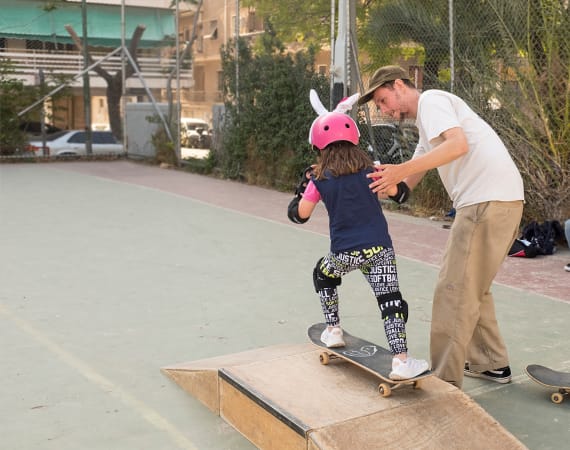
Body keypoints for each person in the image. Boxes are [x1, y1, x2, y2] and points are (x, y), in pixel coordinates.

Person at [358, 66, 525, 388]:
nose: (384, 110)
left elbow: (458, 146)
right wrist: (386, 183)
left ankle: (443, 382)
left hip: (484, 202)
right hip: (500, 201)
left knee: (454, 290)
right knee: (473, 287)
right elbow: (406, 187)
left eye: (383, 100)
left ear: (398, 86)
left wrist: (400, 169)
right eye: (379, 106)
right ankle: (490, 362)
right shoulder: (428, 127)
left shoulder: (432, 101)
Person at [287, 90, 429, 381]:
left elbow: (300, 214)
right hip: (379, 249)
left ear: (318, 145)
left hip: (344, 253)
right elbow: (400, 195)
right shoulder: (372, 171)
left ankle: (333, 329)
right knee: (391, 301)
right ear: (354, 138)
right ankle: (401, 360)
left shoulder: (319, 178)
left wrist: (303, 186)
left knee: (323, 274)